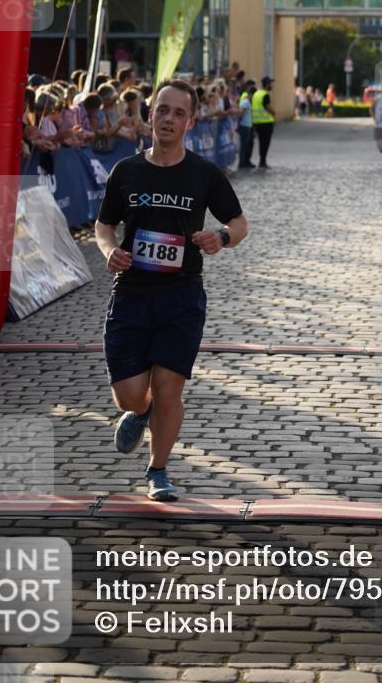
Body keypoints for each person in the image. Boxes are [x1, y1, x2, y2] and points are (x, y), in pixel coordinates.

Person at [95, 78, 248, 501]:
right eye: (163, 110)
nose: (169, 118)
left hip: (181, 295)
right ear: (150, 115)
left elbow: (239, 224)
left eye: (179, 113)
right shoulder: (126, 172)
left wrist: (222, 237)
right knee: (128, 394)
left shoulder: (203, 174)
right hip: (131, 293)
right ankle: (139, 411)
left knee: (168, 387)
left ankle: (158, 470)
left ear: (191, 122)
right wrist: (108, 250)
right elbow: (104, 224)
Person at [251, 75, 275, 169]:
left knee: (261, 142)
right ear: (267, 84)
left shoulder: (256, 93)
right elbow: (268, 107)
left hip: (256, 122)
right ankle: (262, 162)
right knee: (265, 143)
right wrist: (273, 112)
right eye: (270, 83)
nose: (271, 85)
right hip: (266, 123)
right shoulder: (265, 95)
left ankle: (262, 161)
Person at [238, 79, 256, 168]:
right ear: (251, 94)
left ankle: (244, 162)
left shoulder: (248, 102)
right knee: (244, 146)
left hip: (247, 125)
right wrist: (240, 123)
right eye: (253, 95)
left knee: (246, 145)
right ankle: (241, 163)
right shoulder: (245, 102)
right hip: (244, 126)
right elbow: (241, 114)